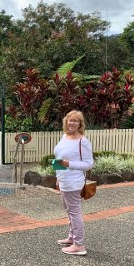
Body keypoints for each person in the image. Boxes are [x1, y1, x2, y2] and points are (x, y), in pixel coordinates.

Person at [54, 110, 93, 256]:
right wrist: (58, 177)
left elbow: (88, 164)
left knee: (74, 212)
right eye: (70, 120)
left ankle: (79, 245)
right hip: (63, 180)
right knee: (69, 211)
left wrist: (69, 164)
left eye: (75, 121)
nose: (72, 123)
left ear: (80, 124)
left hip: (73, 182)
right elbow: (59, 157)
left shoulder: (83, 141)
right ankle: (72, 238)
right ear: (66, 122)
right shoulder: (64, 136)